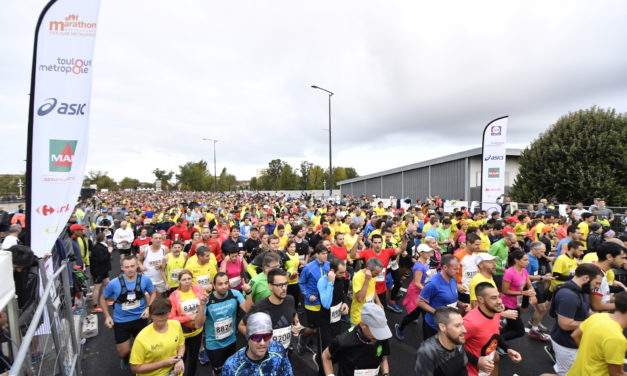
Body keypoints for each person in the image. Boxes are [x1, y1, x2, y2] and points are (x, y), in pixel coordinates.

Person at [101, 255, 156, 370]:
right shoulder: (114, 283)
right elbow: (103, 298)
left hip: (140, 318)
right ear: (122, 268)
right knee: (123, 353)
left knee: (143, 348)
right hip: (121, 321)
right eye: (127, 267)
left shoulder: (145, 280)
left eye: (132, 266)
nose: (130, 269)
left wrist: (149, 308)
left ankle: (139, 364)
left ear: (137, 265)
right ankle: (126, 358)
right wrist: (107, 316)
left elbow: (153, 293)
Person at [548, 263, 603, 376]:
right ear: (586, 278)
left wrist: (599, 317)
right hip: (566, 345)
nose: (597, 286)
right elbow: (565, 324)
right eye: (597, 283)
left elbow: (584, 310)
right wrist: (593, 323)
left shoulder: (581, 290)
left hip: (573, 342)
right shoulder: (569, 296)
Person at [195, 272, 252, 376]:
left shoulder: (235, 294)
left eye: (226, 283)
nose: (224, 286)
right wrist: (202, 305)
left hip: (231, 340)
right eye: (220, 284)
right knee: (218, 372)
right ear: (214, 285)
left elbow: (248, 309)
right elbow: (198, 325)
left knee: (231, 367)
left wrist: (248, 293)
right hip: (214, 345)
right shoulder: (207, 299)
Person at [464, 282, 522, 376]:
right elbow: (453, 347)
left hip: (488, 367)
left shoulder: (495, 313)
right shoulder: (469, 322)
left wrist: (507, 349)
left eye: (499, 296)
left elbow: (495, 335)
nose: (499, 301)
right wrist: (477, 361)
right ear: (481, 299)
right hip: (472, 371)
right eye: (494, 298)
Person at [567, 291, 627, 376]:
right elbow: (617, 374)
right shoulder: (617, 339)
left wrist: (592, 355)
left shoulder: (597, 317)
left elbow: (575, 335)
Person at [321, 303, 391, 376]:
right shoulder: (343, 341)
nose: (378, 337)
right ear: (362, 324)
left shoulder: (381, 336)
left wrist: (385, 374)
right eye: (375, 332)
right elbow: (326, 356)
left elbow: (383, 359)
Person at [240, 268, 301, 351]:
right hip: (268, 357)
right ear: (270, 286)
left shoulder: (290, 299)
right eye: (280, 285)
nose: (284, 288)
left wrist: (296, 324)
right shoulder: (260, 307)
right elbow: (241, 325)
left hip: (285, 353)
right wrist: (256, 340)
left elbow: (293, 314)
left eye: (285, 284)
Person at [349, 233, 408, 312]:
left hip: (382, 289)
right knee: (368, 314)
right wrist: (357, 242)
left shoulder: (387, 252)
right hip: (369, 289)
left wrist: (405, 240)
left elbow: (401, 249)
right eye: (375, 242)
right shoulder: (366, 252)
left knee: (381, 312)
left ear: (382, 243)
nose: (377, 245)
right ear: (372, 243)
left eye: (379, 242)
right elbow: (353, 256)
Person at [222, 312, 293, 376]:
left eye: (267, 336)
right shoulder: (232, 366)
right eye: (257, 337)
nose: (262, 343)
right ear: (248, 337)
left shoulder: (278, 349)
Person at [418, 254, 468, 340]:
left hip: (447, 325)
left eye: (458, 268)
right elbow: (419, 302)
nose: (457, 271)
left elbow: (451, 300)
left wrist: (461, 304)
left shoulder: (452, 279)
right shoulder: (433, 283)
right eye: (455, 269)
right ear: (445, 267)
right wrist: (437, 313)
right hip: (433, 326)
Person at [129, 298, 185, 376]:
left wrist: (179, 359)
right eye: (157, 314)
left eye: (164, 313)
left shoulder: (176, 325)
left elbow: (181, 344)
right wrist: (163, 363)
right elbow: (135, 368)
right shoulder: (141, 338)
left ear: (169, 313)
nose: (161, 317)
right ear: (151, 315)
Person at [167, 270, 204, 376]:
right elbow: (171, 318)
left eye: (189, 279)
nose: (187, 281)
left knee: (193, 360)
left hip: (197, 332)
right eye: (184, 279)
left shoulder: (198, 290)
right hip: (182, 335)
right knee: (180, 359)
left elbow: (203, 307)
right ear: (179, 281)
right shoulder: (173, 296)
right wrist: (188, 317)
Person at [414, 306, 468, 376]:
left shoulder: (457, 340)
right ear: (443, 327)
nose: (465, 330)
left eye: (462, 324)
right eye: (457, 326)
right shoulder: (427, 352)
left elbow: (463, 367)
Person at [316, 258, 350, 370]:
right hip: (325, 323)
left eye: (344, 271)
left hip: (337, 320)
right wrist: (331, 282)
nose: (344, 274)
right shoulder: (323, 281)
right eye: (341, 272)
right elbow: (326, 304)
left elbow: (342, 293)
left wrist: (345, 303)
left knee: (336, 349)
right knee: (325, 353)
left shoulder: (341, 278)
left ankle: (319, 359)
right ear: (332, 271)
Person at [500, 249, 542, 341]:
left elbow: (529, 284)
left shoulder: (524, 271)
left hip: (517, 303)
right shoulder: (509, 272)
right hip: (508, 304)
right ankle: (497, 342)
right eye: (525, 260)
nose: (528, 262)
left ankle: (496, 338)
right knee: (520, 331)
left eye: (528, 259)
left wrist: (532, 295)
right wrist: (523, 293)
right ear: (516, 260)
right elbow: (505, 290)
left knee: (510, 326)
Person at [297, 243, 330, 355]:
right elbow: (301, 282)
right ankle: (303, 336)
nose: (325, 256)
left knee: (322, 326)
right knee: (314, 328)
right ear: (317, 254)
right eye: (323, 253)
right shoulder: (308, 267)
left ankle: (312, 343)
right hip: (312, 302)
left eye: (326, 253)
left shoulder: (329, 265)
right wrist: (308, 295)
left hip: (325, 301)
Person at [396, 243, 433, 341]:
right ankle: (399, 328)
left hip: (423, 290)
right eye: (427, 251)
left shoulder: (426, 262)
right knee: (414, 314)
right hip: (418, 292)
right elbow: (417, 283)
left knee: (425, 315)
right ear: (421, 253)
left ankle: (427, 340)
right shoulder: (419, 267)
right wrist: (428, 291)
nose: (430, 253)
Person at [588, 242, 626, 312]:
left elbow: (603, 298)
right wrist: (623, 305)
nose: (624, 261)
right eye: (622, 258)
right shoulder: (595, 274)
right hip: (595, 319)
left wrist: (620, 300)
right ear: (609, 257)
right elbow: (597, 306)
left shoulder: (596, 268)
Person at [526, 241, 554, 337]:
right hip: (527, 287)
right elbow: (525, 277)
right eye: (542, 252)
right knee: (520, 310)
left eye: (544, 252)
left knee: (542, 308)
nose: (543, 254)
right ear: (534, 249)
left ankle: (534, 325)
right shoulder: (527, 260)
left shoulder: (536, 257)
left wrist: (543, 276)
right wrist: (542, 278)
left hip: (534, 285)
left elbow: (534, 274)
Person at [350, 258, 384, 325]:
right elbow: (360, 299)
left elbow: (373, 289)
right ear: (368, 269)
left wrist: (378, 302)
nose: (377, 275)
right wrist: (367, 280)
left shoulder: (372, 276)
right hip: (358, 317)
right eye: (376, 273)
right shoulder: (358, 277)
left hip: (369, 314)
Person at [138, 232, 169, 297]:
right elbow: (138, 260)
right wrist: (141, 266)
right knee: (150, 299)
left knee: (158, 299)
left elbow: (169, 261)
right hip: (148, 278)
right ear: (151, 239)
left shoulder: (165, 249)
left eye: (160, 238)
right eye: (156, 238)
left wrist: (161, 265)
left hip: (160, 279)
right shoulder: (144, 250)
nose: (158, 240)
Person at [90, 232, 112, 313]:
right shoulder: (98, 247)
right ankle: (95, 306)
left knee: (107, 283)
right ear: (103, 238)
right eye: (105, 237)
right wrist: (109, 252)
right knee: (97, 287)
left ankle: (105, 300)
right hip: (98, 271)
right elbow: (101, 259)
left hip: (103, 269)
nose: (106, 238)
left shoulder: (102, 246)